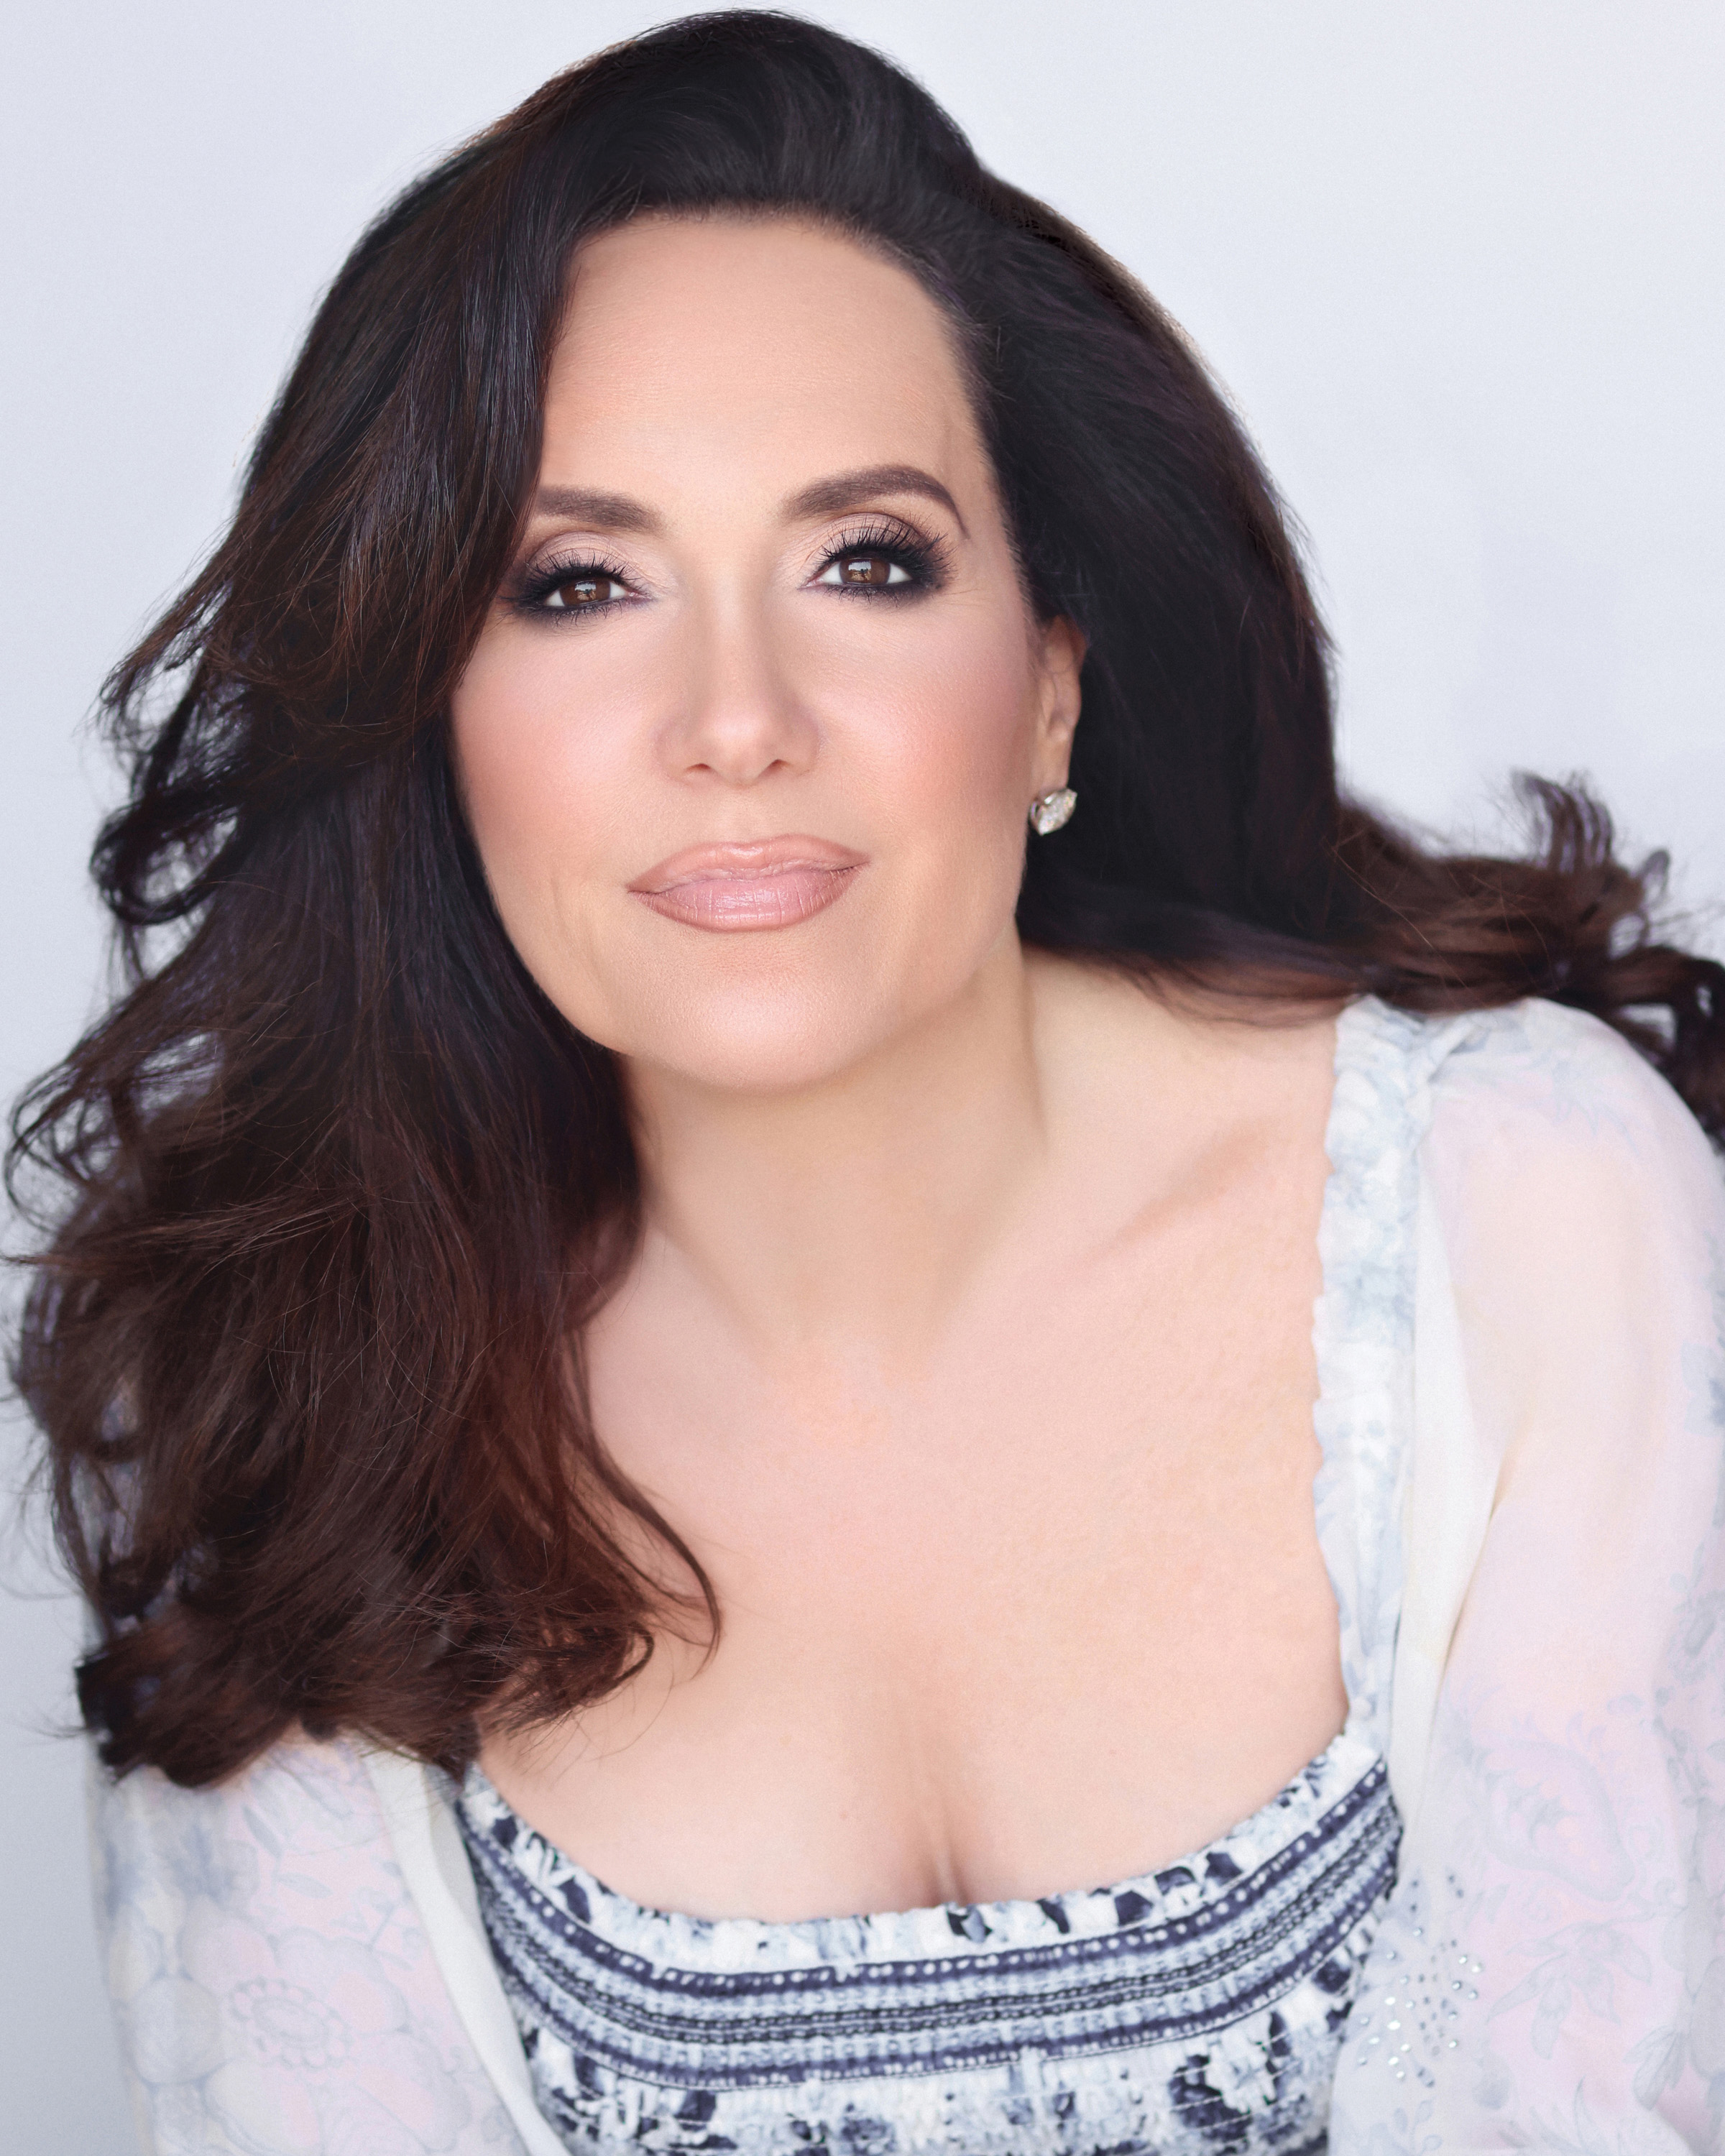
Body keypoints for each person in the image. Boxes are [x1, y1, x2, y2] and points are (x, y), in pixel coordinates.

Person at [12, 12, 1725, 2152]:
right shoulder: (296, 1389)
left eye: (869, 562)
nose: (737, 717)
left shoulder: (1519, 1214)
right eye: (580, 585)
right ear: (432, 722)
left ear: (1050, 686)